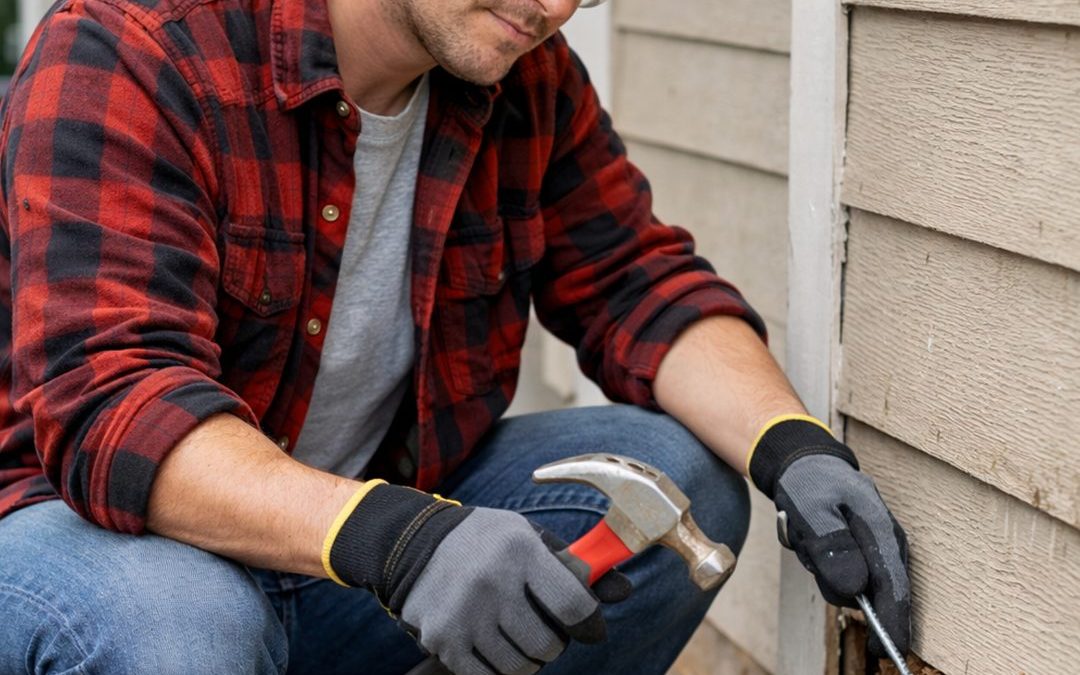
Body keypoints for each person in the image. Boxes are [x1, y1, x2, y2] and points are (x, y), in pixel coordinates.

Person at [0, 0, 911, 672]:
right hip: (85, 542)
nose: (553, 9)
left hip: (344, 542)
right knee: (183, 625)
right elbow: (117, 407)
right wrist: (399, 540)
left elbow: (636, 282)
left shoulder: (517, 76)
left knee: (681, 484)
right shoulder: (132, 46)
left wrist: (792, 447)